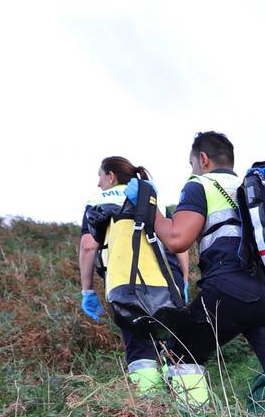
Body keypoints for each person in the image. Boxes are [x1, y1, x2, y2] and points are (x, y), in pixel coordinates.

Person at [144, 131, 265, 417]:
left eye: (192, 163)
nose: (192, 168)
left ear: (202, 159)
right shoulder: (260, 188)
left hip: (229, 291)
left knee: (181, 356)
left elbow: (177, 239)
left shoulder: (200, 185)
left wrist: (150, 209)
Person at [78, 156, 189, 394]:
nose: (98, 183)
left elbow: (88, 246)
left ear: (111, 176)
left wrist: (87, 290)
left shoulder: (97, 202)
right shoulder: (150, 197)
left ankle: (154, 412)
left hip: (128, 284)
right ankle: (190, 405)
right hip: (168, 281)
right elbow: (177, 242)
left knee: (140, 350)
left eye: (100, 176)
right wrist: (185, 280)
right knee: (176, 344)